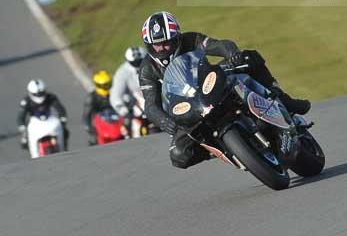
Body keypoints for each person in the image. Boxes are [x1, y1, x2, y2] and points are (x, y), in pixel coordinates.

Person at [138, 10, 311, 170]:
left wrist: (233, 54)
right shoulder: (147, 68)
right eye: (156, 45)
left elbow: (220, 45)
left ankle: (282, 98)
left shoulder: (191, 39)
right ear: (148, 45)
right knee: (179, 155)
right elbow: (151, 104)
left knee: (249, 57)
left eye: (166, 42)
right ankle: (222, 148)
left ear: (177, 37)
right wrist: (163, 122)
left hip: (210, 82)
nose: (161, 48)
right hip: (187, 105)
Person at [17, 79, 69, 151]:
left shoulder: (51, 97)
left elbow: (60, 109)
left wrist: (63, 120)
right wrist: (22, 127)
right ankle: (33, 153)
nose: (39, 95)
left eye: (41, 93)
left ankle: (64, 148)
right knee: (25, 140)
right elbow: (21, 116)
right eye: (37, 94)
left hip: (50, 120)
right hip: (34, 122)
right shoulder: (26, 101)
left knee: (65, 132)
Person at [110, 46, 146, 134]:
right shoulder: (122, 73)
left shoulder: (151, 66)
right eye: (135, 63)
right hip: (133, 107)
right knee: (124, 129)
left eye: (140, 61)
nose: (138, 65)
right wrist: (124, 111)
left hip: (152, 100)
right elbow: (116, 95)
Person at [82, 70, 113, 145]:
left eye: (107, 85)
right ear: (98, 85)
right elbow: (86, 116)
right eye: (104, 85)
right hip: (100, 124)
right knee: (95, 142)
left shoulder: (114, 93)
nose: (106, 87)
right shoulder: (91, 98)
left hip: (114, 121)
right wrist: (91, 130)